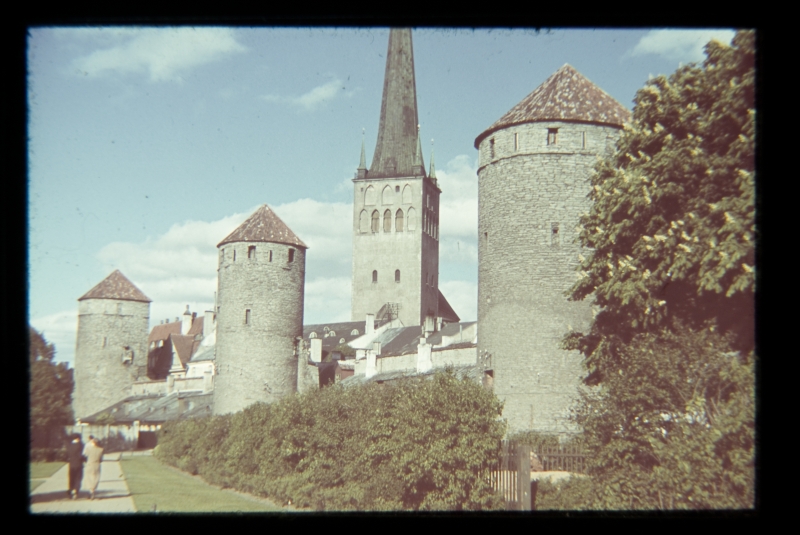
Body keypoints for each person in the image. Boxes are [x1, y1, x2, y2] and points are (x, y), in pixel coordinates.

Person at [66, 434, 85, 500]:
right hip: (78, 464)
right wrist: (84, 459)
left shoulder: (69, 445)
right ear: (78, 438)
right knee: (78, 478)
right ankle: (75, 491)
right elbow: (81, 455)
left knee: (71, 478)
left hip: (71, 464)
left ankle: (70, 490)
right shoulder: (80, 445)